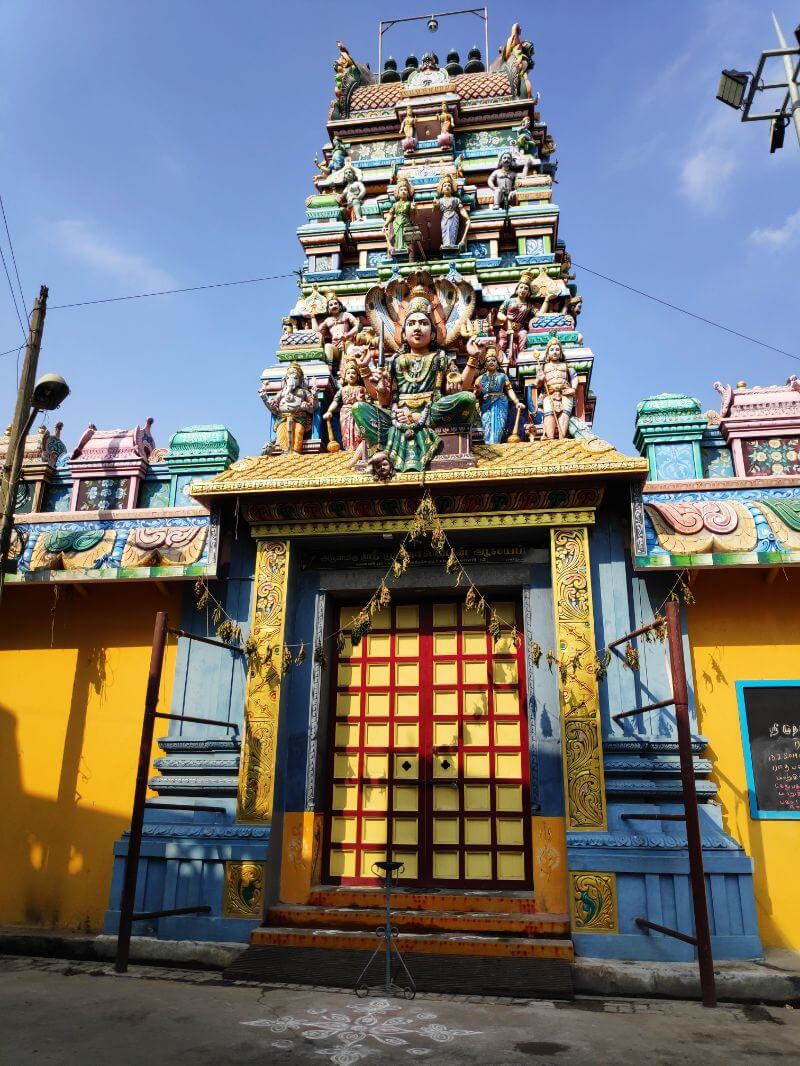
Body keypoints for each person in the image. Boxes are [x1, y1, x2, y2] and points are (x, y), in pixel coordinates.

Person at [351, 286, 480, 472]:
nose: (417, 328)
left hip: (431, 412)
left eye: (423, 323)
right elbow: (384, 400)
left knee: (467, 399)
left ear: (433, 332)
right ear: (403, 334)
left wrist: (473, 358)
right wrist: (365, 370)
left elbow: (460, 390)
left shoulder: (440, 359)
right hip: (398, 416)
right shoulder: (396, 361)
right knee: (359, 408)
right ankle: (384, 449)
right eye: (411, 324)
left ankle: (387, 447)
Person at [260, 363, 316, 453]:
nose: (291, 380)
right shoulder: (282, 393)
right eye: (288, 378)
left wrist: (314, 396)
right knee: (282, 435)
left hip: (299, 417)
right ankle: (286, 452)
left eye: (295, 378)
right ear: (285, 379)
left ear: (301, 380)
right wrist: (264, 398)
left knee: (298, 432)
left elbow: (313, 407)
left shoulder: (304, 392)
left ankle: (296, 451)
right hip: (282, 418)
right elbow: (274, 408)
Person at [475, 348, 525, 444]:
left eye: (493, 360)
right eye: (488, 360)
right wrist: (478, 391)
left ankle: (496, 443)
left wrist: (516, 402)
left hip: (500, 402)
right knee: (487, 423)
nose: (491, 362)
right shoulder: (480, 378)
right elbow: (475, 394)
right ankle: (488, 445)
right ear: (485, 364)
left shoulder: (502, 376)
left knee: (499, 426)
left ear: (497, 363)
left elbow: (509, 390)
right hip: (486, 404)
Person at [535, 336, 577, 440]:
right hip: (549, 392)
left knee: (565, 413)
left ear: (561, 353)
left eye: (557, 350)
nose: (555, 352)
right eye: (552, 350)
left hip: (565, 392)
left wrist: (574, 389)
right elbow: (537, 384)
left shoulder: (566, 365)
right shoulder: (543, 367)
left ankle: (562, 436)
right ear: (547, 353)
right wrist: (540, 379)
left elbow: (574, 377)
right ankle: (550, 437)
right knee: (549, 413)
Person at [323, 362, 367, 452]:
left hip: (358, 411)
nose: (351, 375)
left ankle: (359, 450)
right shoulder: (342, 390)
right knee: (346, 432)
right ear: (345, 377)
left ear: (358, 376)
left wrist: (362, 401)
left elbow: (368, 403)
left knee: (358, 432)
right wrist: (329, 411)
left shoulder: (362, 389)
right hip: (345, 412)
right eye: (348, 373)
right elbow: (335, 401)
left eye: (353, 373)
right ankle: (348, 449)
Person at [495, 271, 535, 366]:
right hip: (505, 328)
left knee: (524, 334)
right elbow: (499, 313)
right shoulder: (509, 301)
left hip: (519, 329)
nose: (523, 290)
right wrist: (506, 319)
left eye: (526, 289)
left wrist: (546, 301)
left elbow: (538, 315)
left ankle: (522, 356)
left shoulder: (529, 306)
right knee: (502, 343)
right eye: (521, 287)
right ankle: (499, 362)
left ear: (528, 293)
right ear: (517, 290)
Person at [311, 293, 359, 369]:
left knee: (351, 351)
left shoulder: (346, 315)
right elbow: (317, 333)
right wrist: (313, 317)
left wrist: (348, 335)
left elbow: (358, 326)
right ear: (328, 309)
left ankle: (351, 369)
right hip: (335, 346)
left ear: (340, 306)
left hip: (346, 342)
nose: (334, 306)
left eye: (335, 304)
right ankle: (328, 370)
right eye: (331, 305)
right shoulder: (328, 320)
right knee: (327, 346)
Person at [436, 174, 470, 250]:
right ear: (442, 189)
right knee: (445, 231)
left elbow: (461, 209)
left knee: (452, 230)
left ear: (451, 188)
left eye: (449, 185)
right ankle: (446, 244)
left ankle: (451, 244)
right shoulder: (440, 200)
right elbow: (435, 209)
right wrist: (435, 204)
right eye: (445, 186)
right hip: (445, 217)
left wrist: (467, 217)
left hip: (454, 216)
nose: (447, 187)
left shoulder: (456, 199)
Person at [383, 177, 415, 256]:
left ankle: (404, 247)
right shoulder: (395, 204)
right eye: (401, 190)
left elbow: (413, 214)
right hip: (397, 222)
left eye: (405, 190)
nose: (403, 191)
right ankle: (399, 247)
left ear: (408, 192)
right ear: (398, 193)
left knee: (404, 234)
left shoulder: (409, 203)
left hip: (405, 221)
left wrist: (413, 208)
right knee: (398, 235)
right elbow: (390, 215)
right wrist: (385, 224)